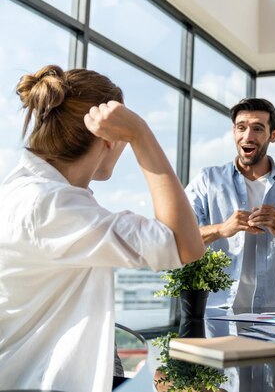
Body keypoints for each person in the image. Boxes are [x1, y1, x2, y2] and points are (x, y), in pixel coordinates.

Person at [0, 65, 205, 392]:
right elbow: (185, 245)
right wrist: (142, 134)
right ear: (110, 139)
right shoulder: (49, 206)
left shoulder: (33, 194)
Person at [185, 98, 275, 309]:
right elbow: (177, 237)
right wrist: (221, 229)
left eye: (257, 129)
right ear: (234, 132)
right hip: (215, 316)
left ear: (273, 135)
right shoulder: (207, 180)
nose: (248, 136)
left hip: (273, 317)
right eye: (241, 128)